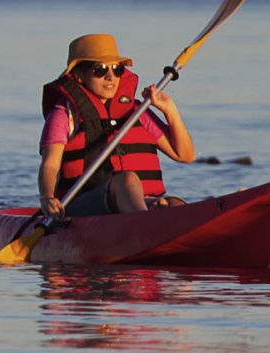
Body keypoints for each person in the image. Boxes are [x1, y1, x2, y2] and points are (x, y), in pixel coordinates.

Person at [36, 33, 195, 217]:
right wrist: (47, 198)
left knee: (174, 204)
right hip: (83, 205)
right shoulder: (63, 115)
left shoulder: (136, 111)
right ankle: (145, 225)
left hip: (138, 204)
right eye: (100, 69)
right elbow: (50, 166)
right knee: (126, 180)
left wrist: (169, 109)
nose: (110, 77)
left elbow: (185, 155)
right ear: (79, 75)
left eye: (117, 69)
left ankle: (153, 224)